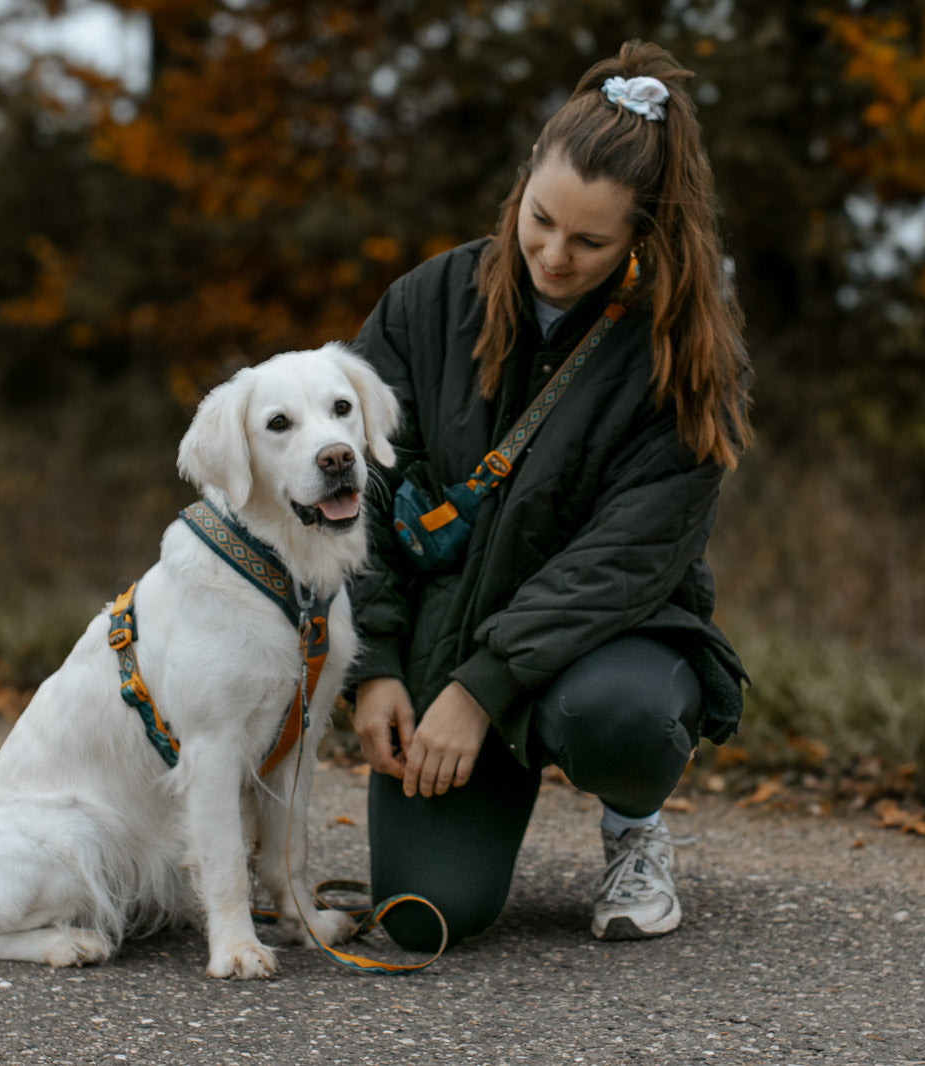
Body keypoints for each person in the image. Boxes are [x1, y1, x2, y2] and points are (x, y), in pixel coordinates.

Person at [346, 39, 752, 952]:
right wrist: (371, 664)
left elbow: (628, 560)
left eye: (590, 241)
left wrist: (484, 688)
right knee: (425, 917)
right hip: (443, 643)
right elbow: (357, 483)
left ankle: (634, 828)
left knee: (620, 718)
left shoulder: (682, 358)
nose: (554, 256)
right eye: (541, 221)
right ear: (527, 176)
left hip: (601, 645)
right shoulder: (424, 302)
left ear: (641, 235)